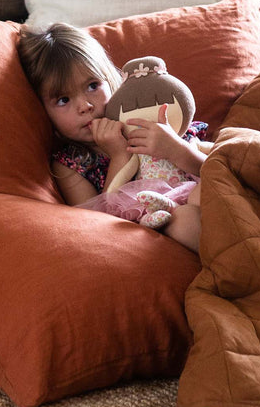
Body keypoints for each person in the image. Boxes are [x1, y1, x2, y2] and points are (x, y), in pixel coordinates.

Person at [16, 23, 207, 252]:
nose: (85, 105)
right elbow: (96, 223)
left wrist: (176, 149)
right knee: (185, 222)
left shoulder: (148, 120)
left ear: (110, 78)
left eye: (93, 85)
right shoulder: (70, 165)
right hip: (156, 224)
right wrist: (118, 155)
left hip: (200, 196)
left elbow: (212, 169)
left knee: (207, 192)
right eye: (63, 100)